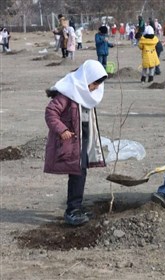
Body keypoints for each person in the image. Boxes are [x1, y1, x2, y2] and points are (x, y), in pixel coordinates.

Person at [44, 60, 108, 226]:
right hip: (71, 141)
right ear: (86, 78)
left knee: (81, 173)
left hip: (83, 141)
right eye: (93, 84)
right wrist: (62, 130)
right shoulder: (68, 92)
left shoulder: (86, 93)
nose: (94, 88)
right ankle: (72, 210)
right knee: (77, 173)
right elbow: (51, 112)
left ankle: (76, 206)